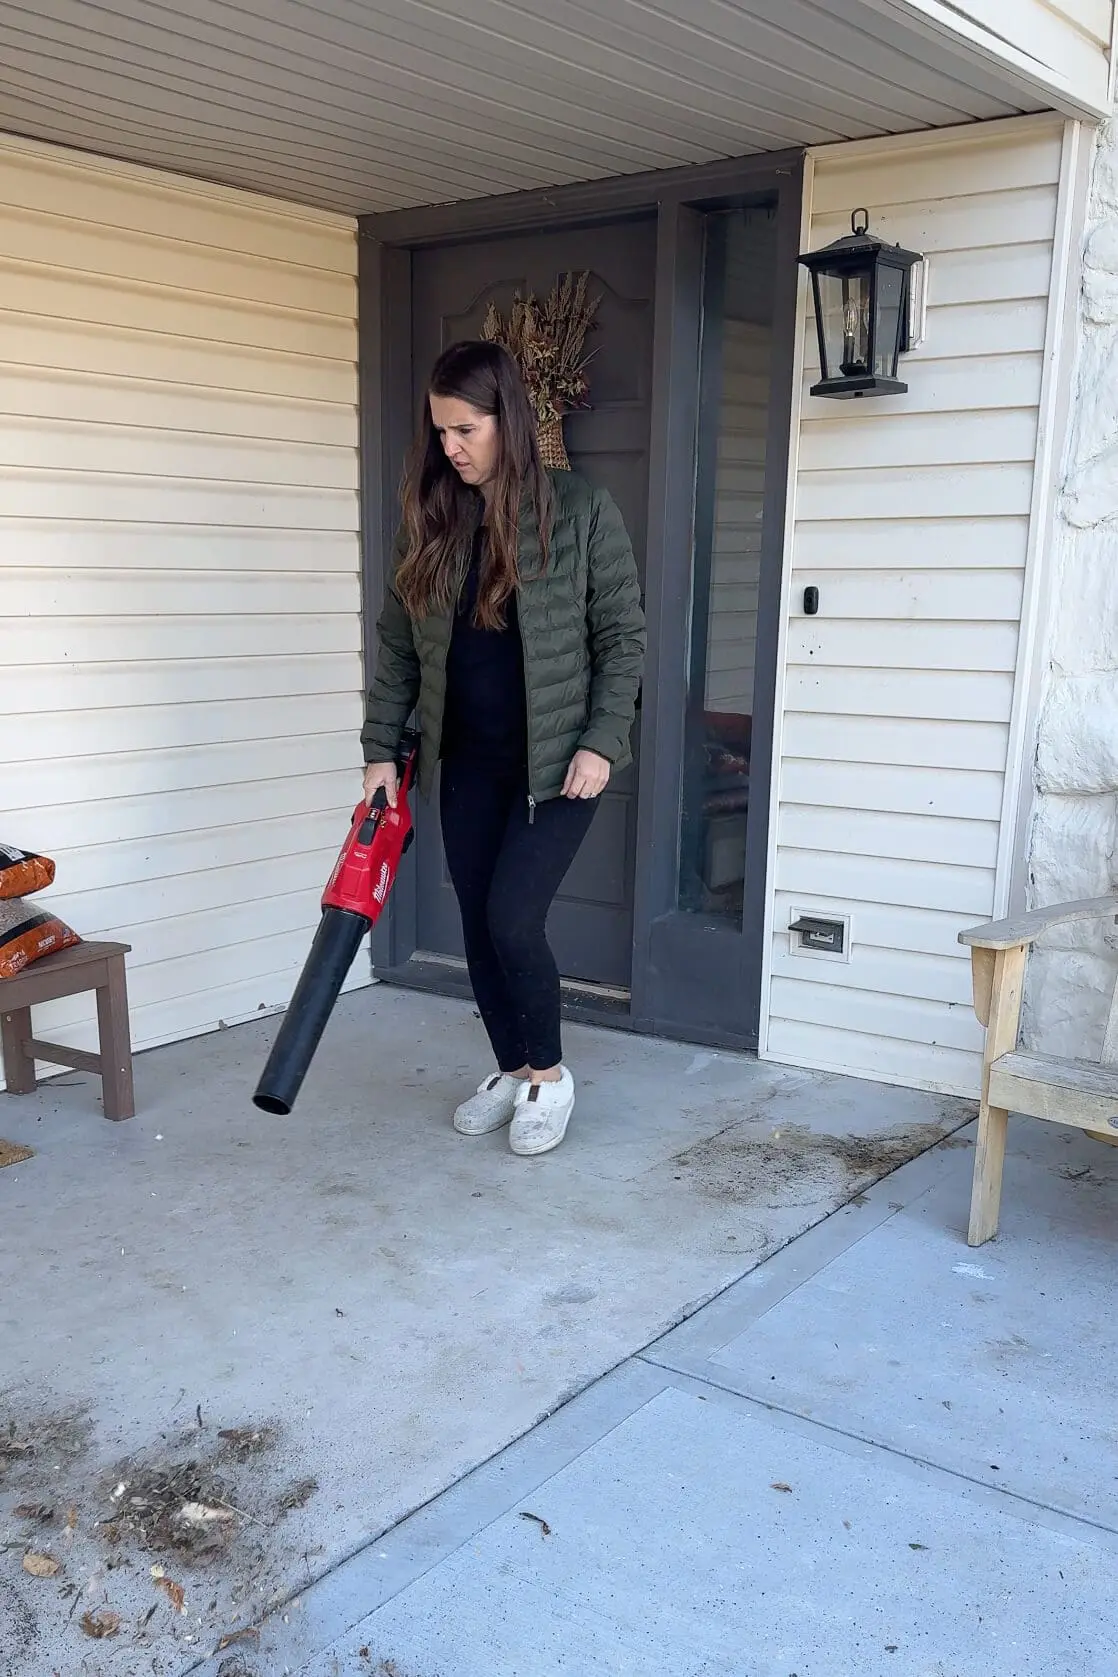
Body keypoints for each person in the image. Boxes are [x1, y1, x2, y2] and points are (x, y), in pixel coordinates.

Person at [361, 339, 645, 1157]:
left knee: (513, 917)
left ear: (507, 420)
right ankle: (512, 1065)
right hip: (470, 763)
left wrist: (601, 741)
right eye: (440, 430)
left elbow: (622, 636)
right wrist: (384, 747)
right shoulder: (436, 518)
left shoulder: (581, 510)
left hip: (559, 766)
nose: (450, 446)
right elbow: (400, 647)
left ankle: (550, 1076)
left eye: (465, 428)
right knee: (478, 926)